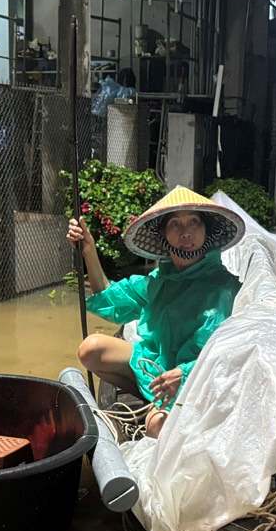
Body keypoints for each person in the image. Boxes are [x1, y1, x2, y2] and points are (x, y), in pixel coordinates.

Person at [68, 186, 244, 437]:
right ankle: (151, 395)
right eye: (175, 224)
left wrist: (183, 374)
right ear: (163, 235)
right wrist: (89, 250)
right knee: (90, 349)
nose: (186, 232)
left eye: (194, 222)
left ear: (206, 230)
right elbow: (110, 298)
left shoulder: (223, 288)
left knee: (156, 426)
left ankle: (163, 408)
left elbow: (226, 354)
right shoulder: (159, 280)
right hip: (157, 366)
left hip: (199, 378)